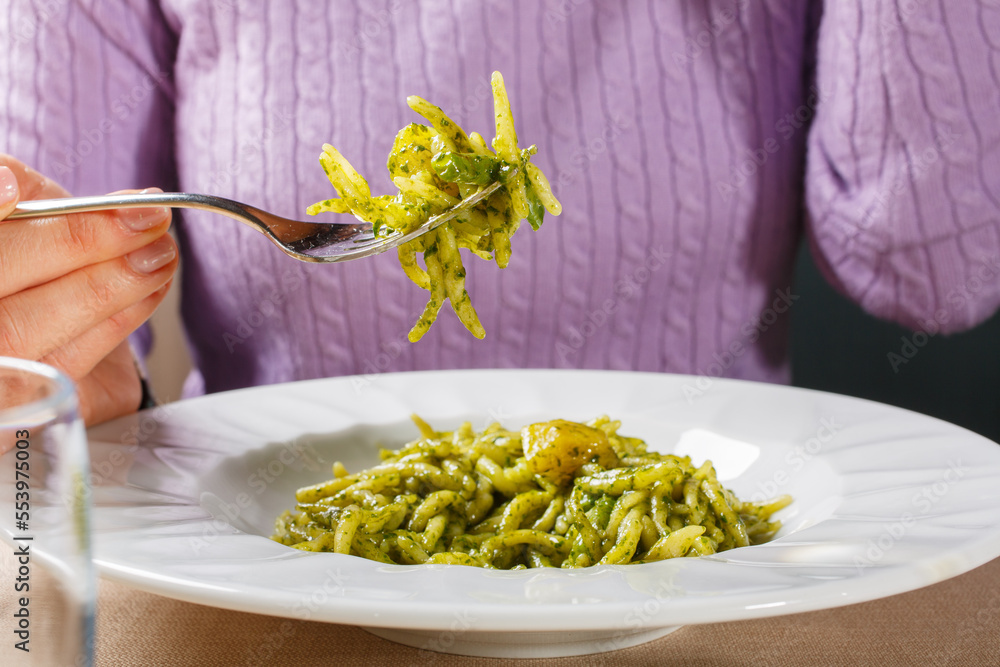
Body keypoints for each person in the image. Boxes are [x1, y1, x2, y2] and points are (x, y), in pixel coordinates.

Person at [1, 1, 998, 437]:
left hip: (718, 569)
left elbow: (934, 273)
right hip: (274, 558)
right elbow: (54, 369)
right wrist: (50, 363)